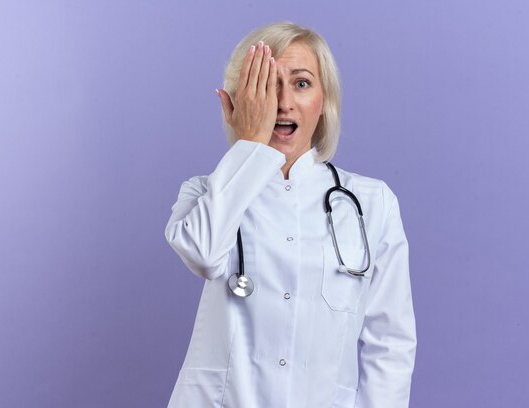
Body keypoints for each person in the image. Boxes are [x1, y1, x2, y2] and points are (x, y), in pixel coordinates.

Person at [164, 21, 416, 408]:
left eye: (301, 83)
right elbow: (202, 253)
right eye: (264, 85)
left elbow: (391, 344)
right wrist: (250, 143)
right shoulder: (204, 194)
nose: (282, 102)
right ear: (240, 101)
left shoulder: (371, 203)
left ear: (324, 101)